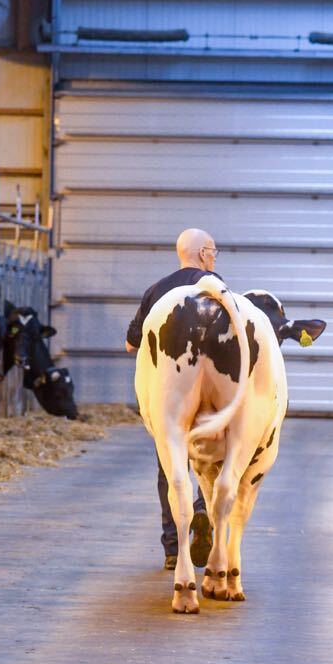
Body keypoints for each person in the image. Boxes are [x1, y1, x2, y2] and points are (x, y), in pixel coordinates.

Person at [126, 228, 220, 571]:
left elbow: (131, 345)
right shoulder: (213, 286)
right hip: (209, 394)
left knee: (170, 466)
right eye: (214, 252)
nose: (214, 258)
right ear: (203, 253)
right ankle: (201, 511)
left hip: (166, 396)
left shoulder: (156, 291)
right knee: (212, 462)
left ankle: (172, 547)